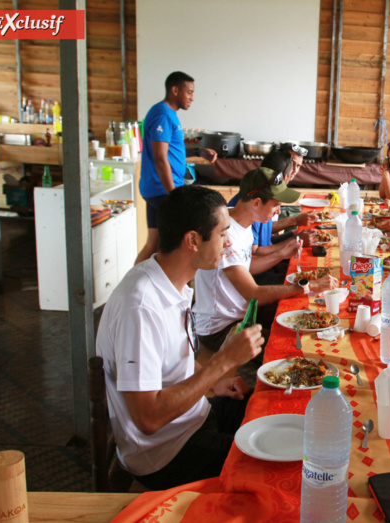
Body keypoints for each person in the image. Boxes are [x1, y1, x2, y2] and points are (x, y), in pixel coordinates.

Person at [96, 185, 265, 490]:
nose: (228, 243)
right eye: (222, 233)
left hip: (193, 418)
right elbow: (148, 419)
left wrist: (215, 382)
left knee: (270, 408)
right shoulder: (141, 307)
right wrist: (223, 361)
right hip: (164, 453)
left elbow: (173, 366)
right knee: (270, 467)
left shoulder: (169, 280)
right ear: (192, 240)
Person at [194, 167, 338, 354]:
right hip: (221, 327)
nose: (279, 210)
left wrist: (280, 254)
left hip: (244, 312)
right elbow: (254, 294)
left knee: (309, 318)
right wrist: (309, 286)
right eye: (276, 204)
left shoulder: (240, 221)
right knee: (293, 348)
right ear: (256, 203)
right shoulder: (226, 233)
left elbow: (246, 266)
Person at [135, 72, 218, 264]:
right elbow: (160, 157)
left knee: (153, 244)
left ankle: (133, 287)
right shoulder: (162, 114)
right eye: (189, 92)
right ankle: (179, 288)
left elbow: (172, 151)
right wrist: (173, 195)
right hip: (162, 189)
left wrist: (198, 151)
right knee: (186, 244)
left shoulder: (168, 114)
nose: (192, 98)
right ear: (174, 90)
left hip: (158, 189)